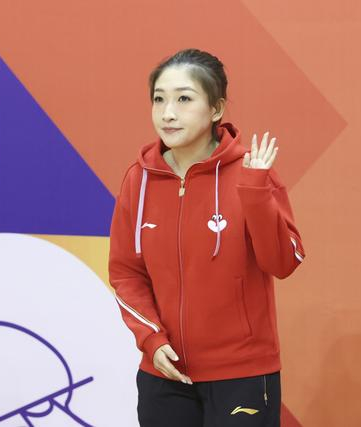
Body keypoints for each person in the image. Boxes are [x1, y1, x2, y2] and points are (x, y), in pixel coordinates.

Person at [108, 48, 305, 426]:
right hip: (164, 373)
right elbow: (125, 272)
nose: (168, 113)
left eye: (184, 99)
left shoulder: (251, 172)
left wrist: (255, 192)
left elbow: (283, 262)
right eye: (159, 99)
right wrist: (151, 339)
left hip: (242, 374)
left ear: (216, 109)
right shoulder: (139, 179)